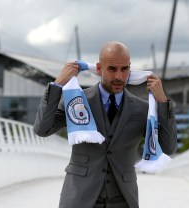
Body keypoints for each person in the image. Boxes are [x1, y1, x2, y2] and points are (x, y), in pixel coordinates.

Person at [34, 41, 177, 208]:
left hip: (123, 199)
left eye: (124, 69)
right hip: (80, 198)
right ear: (99, 68)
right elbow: (42, 129)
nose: (119, 76)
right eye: (112, 69)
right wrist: (57, 85)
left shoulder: (142, 109)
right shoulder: (76, 100)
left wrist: (162, 101)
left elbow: (168, 148)